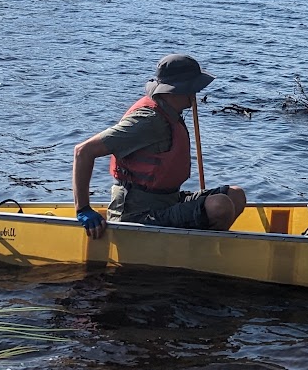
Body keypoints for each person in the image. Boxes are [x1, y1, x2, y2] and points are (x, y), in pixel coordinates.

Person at [73, 53, 248, 236]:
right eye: (193, 87)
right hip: (137, 214)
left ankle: (202, 243)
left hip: (168, 201)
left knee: (235, 195)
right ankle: (201, 249)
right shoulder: (148, 120)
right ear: (178, 89)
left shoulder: (170, 111)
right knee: (219, 206)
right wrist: (83, 209)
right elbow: (83, 151)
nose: (195, 93)